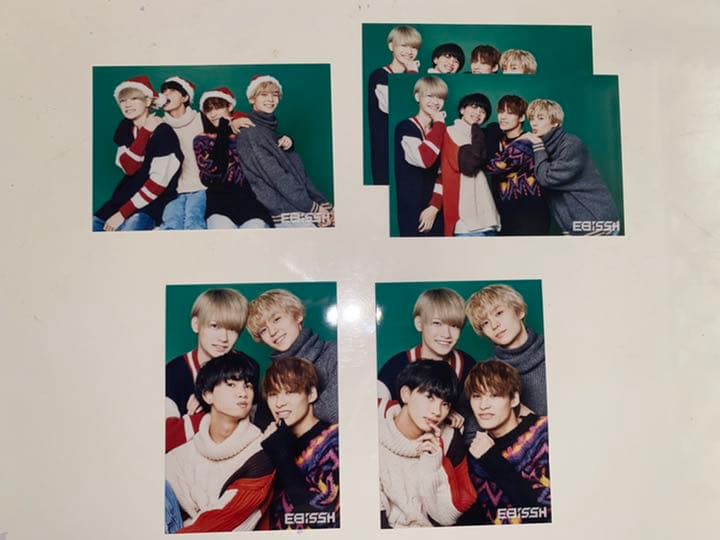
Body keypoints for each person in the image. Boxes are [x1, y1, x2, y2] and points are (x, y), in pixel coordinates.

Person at [165, 353, 275, 532]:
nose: (243, 393)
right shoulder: (183, 453)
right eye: (231, 384)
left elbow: (225, 522)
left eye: (248, 386)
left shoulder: (261, 454)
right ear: (208, 395)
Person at [378, 360, 476, 528]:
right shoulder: (373, 436)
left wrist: (433, 466)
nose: (437, 412)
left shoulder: (450, 439)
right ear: (406, 394)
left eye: (445, 404)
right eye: (429, 397)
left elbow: (448, 518)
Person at [458, 360, 551, 525]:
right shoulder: (474, 453)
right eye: (477, 396)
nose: (483, 406)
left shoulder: (544, 433)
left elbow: (545, 516)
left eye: (494, 395)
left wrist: (492, 460)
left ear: (514, 399)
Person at [235, 75, 334, 228]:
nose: (270, 99)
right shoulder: (250, 132)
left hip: (300, 208)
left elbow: (299, 175)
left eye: (275, 94)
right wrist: (314, 208)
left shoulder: (271, 132)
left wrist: (323, 205)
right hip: (286, 213)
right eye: (263, 94)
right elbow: (279, 179)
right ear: (252, 99)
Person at [93, 75, 181, 232]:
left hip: (153, 202)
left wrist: (122, 214)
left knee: (129, 229)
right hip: (124, 198)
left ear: (147, 101)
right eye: (123, 100)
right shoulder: (125, 127)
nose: (127, 105)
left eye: (134, 98)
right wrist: (145, 132)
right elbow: (129, 168)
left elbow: (157, 185)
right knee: (93, 225)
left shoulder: (164, 133)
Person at [261, 357, 340, 529]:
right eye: (273, 394)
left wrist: (283, 460)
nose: (279, 403)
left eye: (290, 392)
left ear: (311, 394)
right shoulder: (273, 441)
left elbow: (323, 519)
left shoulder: (335, 442)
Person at [521, 99, 620, 235]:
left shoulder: (571, 144)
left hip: (595, 221)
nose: (534, 123)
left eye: (541, 118)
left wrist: (537, 145)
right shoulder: (544, 146)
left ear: (555, 122)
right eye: (532, 118)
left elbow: (546, 178)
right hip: (573, 225)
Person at [246, 289, 338, 426]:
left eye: (277, 319)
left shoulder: (333, 353)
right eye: (263, 330)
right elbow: (265, 429)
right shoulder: (271, 377)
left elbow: (336, 414)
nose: (272, 332)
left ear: (297, 315)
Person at [165, 288, 258, 418]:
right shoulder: (173, 373)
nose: (224, 338)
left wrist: (213, 402)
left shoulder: (249, 366)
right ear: (196, 324)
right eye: (215, 326)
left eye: (232, 329)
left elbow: (251, 421)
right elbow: (166, 428)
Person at [421, 93, 501, 236]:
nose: (478, 113)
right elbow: (468, 165)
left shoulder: (479, 135)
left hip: (488, 217)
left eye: (483, 111)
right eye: (474, 107)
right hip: (466, 221)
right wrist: (435, 205)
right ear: (462, 110)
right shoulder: (450, 132)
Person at [378, 288, 475, 404]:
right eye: (437, 323)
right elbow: (371, 406)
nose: (446, 334)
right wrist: (394, 410)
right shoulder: (396, 366)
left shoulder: (469, 366)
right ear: (419, 324)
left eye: (454, 325)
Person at [194, 87, 273, 229]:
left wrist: (287, 140)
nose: (213, 114)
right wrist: (224, 129)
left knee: (255, 233)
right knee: (223, 235)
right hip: (219, 203)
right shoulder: (202, 140)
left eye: (218, 107)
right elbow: (214, 173)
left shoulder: (246, 133)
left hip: (252, 202)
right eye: (208, 110)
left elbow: (269, 157)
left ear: (230, 106)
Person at [465, 284, 547, 415]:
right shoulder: (486, 373)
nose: (494, 325)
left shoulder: (556, 349)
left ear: (519, 311)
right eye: (485, 323)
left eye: (499, 313)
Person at [483, 95, 550, 235]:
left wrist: (491, 134)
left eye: (510, 113)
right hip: (505, 215)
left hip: (530, 216)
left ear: (522, 117)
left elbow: (491, 167)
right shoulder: (498, 138)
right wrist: (491, 130)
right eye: (501, 111)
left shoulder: (528, 142)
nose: (503, 117)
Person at [368, 25, 422, 185]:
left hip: (410, 148)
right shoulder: (380, 75)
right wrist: (412, 75)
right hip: (386, 147)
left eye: (414, 47)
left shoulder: (415, 78)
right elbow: (392, 107)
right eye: (404, 45)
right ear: (391, 46)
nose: (409, 51)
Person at [394, 76, 447, 236]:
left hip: (435, 209)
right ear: (417, 97)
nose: (435, 102)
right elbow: (425, 160)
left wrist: (434, 207)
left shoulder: (440, 131)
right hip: (412, 211)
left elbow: (444, 174)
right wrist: (439, 124)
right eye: (429, 96)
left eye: (440, 97)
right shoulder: (406, 127)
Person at [159, 75, 209, 230]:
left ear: (185, 97)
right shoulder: (159, 125)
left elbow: (227, 123)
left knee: (194, 223)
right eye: (164, 91)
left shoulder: (201, 119)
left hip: (201, 187)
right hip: (172, 190)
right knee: (171, 225)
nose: (166, 94)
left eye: (172, 91)